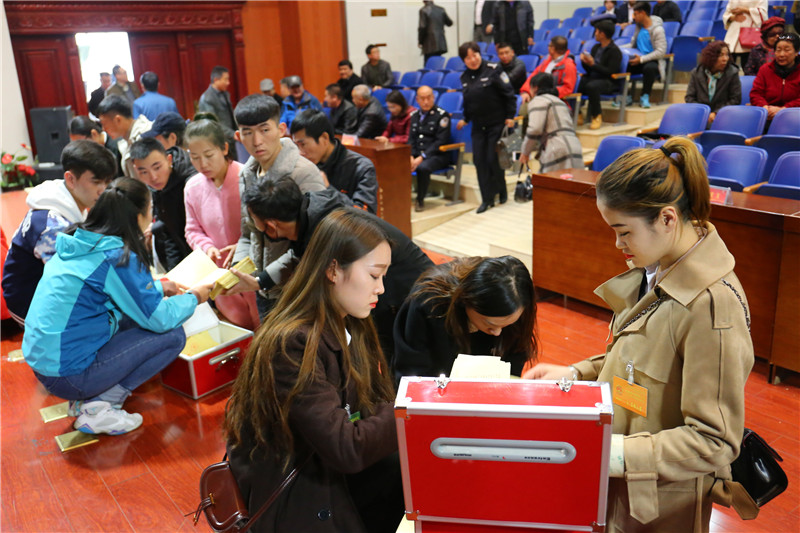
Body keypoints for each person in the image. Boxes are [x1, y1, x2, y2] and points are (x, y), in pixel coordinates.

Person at [525, 137, 756, 532]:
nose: (617, 244)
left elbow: (715, 441)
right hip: (621, 481)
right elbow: (640, 359)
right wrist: (577, 374)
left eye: (624, 231)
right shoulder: (659, 265)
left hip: (660, 505)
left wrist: (612, 454)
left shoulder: (712, 307)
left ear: (667, 219)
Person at [224, 209, 404, 533]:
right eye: (374, 275)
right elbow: (345, 448)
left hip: (324, 464)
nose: (381, 289)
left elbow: (369, 405)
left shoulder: (351, 321)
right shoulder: (292, 343)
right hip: (293, 487)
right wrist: (413, 408)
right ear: (333, 270)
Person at [22, 178, 212, 435]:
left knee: (133, 316)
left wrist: (158, 287)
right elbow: (160, 319)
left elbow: (119, 292)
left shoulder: (80, 241)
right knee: (172, 334)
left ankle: (88, 398)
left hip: (46, 365)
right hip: (68, 375)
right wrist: (195, 296)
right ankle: (100, 407)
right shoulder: (116, 257)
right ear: (138, 217)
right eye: (150, 210)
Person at [228, 177, 432, 361]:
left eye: (253, 220)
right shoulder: (310, 213)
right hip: (401, 284)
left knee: (398, 354)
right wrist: (259, 281)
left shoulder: (327, 229)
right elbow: (297, 256)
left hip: (408, 289)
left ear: (271, 226)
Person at [230, 94, 325, 318]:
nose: (257, 141)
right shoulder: (247, 174)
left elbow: (317, 241)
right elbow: (248, 232)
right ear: (238, 136)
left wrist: (264, 278)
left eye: (265, 130)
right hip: (263, 290)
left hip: (299, 291)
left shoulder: (304, 173)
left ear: (281, 129)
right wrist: (238, 269)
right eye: (247, 132)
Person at [2, 140, 117, 325]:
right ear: (71, 179)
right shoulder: (53, 226)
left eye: (107, 182)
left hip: (42, 292)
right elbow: (73, 281)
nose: (102, 190)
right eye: (96, 182)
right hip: (29, 306)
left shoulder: (67, 200)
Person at [393, 255, 537, 380]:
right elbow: (411, 369)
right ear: (467, 300)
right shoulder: (429, 302)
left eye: (506, 325)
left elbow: (514, 361)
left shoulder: (517, 301)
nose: (497, 332)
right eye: (490, 324)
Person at [184, 119, 260, 330]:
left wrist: (242, 245)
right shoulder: (192, 187)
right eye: (195, 157)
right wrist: (207, 247)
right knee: (239, 328)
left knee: (265, 325)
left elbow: (264, 223)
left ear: (224, 148)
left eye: (208, 155)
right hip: (219, 271)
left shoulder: (247, 177)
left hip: (253, 266)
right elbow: (192, 230)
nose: (202, 164)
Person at [457, 42, 516, 214]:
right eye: (468, 58)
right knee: (479, 161)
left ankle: (501, 190)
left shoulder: (494, 69)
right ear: (464, 61)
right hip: (478, 126)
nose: (473, 60)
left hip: (496, 123)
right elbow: (468, 101)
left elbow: (509, 94)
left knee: (492, 159)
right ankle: (486, 199)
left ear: (479, 54)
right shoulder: (464, 77)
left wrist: (510, 116)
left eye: (475, 55)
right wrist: (465, 118)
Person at [290, 109, 378, 213]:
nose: (299, 153)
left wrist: (327, 188)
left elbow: (366, 215)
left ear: (324, 138)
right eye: (296, 145)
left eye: (303, 144)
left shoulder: (362, 167)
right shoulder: (305, 164)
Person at [130, 137, 194, 271]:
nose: (153, 177)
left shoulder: (191, 182)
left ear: (169, 160)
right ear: (136, 170)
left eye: (157, 167)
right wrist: (175, 272)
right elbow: (169, 232)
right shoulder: (158, 187)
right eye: (144, 172)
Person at [519, 73, 584, 173]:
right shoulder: (561, 102)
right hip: (575, 145)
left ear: (535, 88)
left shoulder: (538, 101)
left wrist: (525, 152)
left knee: (549, 182)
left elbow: (535, 129)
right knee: (573, 181)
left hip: (556, 148)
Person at [407, 85, 452, 212]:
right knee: (396, 163)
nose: (426, 102)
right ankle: (399, 198)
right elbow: (411, 139)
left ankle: (420, 200)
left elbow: (440, 141)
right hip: (417, 155)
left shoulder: (442, 116)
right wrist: (411, 156)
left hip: (437, 155)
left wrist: (421, 157)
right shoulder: (414, 115)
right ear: (417, 100)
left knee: (423, 167)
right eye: (422, 99)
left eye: (428, 98)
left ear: (433, 97)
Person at [619, 1, 667, 109]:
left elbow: (660, 52)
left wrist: (641, 59)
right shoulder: (639, 27)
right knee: (622, 65)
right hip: (638, 59)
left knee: (649, 68)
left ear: (643, 13)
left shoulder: (658, 30)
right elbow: (632, 44)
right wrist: (618, 48)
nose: (633, 17)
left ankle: (645, 96)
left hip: (652, 60)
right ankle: (626, 96)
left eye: (635, 14)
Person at [578, 18, 623, 129]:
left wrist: (593, 64)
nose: (595, 34)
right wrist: (585, 62)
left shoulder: (614, 51)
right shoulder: (595, 47)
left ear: (602, 34)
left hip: (609, 81)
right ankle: (577, 113)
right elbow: (590, 70)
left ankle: (596, 115)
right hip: (594, 77)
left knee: (592, 86)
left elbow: (610, 72)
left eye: (597, 31)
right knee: (577, 82)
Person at [685, 41, 742, 125]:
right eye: (720, 55)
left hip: (724, 117)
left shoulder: (732, 73)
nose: (725, 59)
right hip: (700, 116)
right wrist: (703, 113)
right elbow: (689, 98)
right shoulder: (696, 73)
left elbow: (735, 100)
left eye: (727, 55)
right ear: (711, 57)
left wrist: (716, 113)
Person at [96, 95, 152, 179]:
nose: (104, 129)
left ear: (118, 120)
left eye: (104, 124)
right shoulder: (126, 140)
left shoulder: (144, 136)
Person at [750, 33, 800, 122]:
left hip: (794, 117)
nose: (781, 54)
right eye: (778, 50)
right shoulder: (765, 69)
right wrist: (765, 108)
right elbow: (756, 94)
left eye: (787, 50)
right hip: (767, 116)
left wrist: (783, 110)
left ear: (796, 52)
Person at [521, 36, 578, 100]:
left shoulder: (569, 65)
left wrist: (547, 93)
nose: (548, 48)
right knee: (521, 102)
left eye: (549, 45)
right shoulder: (546, 62)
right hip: (538, 96)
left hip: (554, 100)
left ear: (552, 48)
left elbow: (567, 89)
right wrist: (526, 92)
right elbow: (532, 78)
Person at [723, 0, 769, 68]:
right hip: (733, 32)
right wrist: (732, 17)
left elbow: (763, 14)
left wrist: (745, 10)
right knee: (728, 65)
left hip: (750, 34)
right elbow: (727, 13)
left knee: (748, 66)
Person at [198, 66, 237, 132]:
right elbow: (213, 123)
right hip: (219, 135)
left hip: (231, 133)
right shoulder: (206, 98)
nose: (228, 83)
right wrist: (232, 134)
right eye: (225, 79)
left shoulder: (225, 94)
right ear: (216, 80)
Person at [418, 0, 453, 64]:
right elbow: (449, 23)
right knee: (438, 63)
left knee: (429, 64)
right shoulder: (441, 9)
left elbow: (422, 27)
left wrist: (420, 41)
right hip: (440, 42)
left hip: (429, 43)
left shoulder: (423, 10)